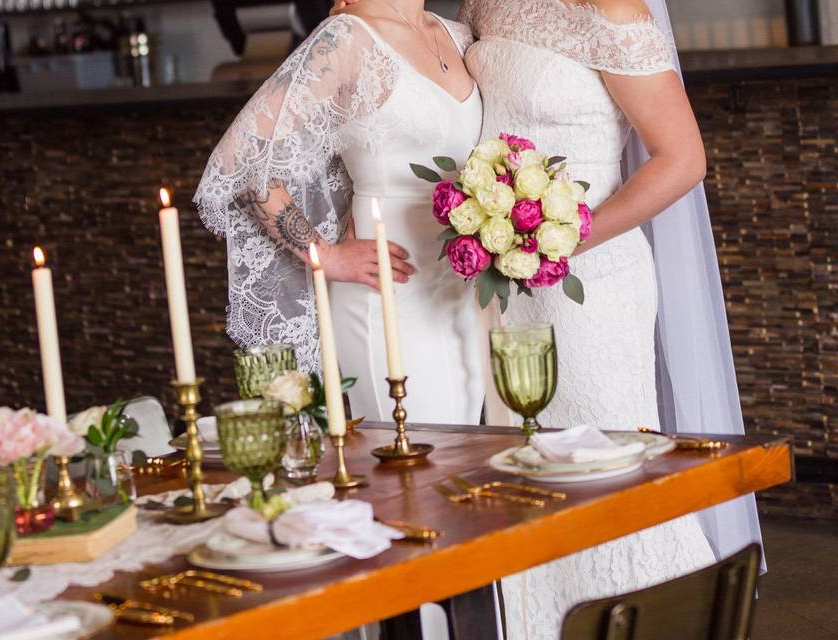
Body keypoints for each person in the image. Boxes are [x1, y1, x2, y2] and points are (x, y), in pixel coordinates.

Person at [331, 0, 763, 638]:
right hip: (500, 276)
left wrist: (563, 241)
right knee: (524, 473)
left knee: (602, 467)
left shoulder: (614, 9)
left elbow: (682, 159)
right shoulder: (484, 4)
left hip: (589, 273)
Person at [194, 0, 486, 427]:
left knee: (465, 456)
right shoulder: (348, 38)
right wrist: (323, 255)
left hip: (460, 292)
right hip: (388, 292)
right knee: (420, 458)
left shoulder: (456, 35)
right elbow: (241, 158)